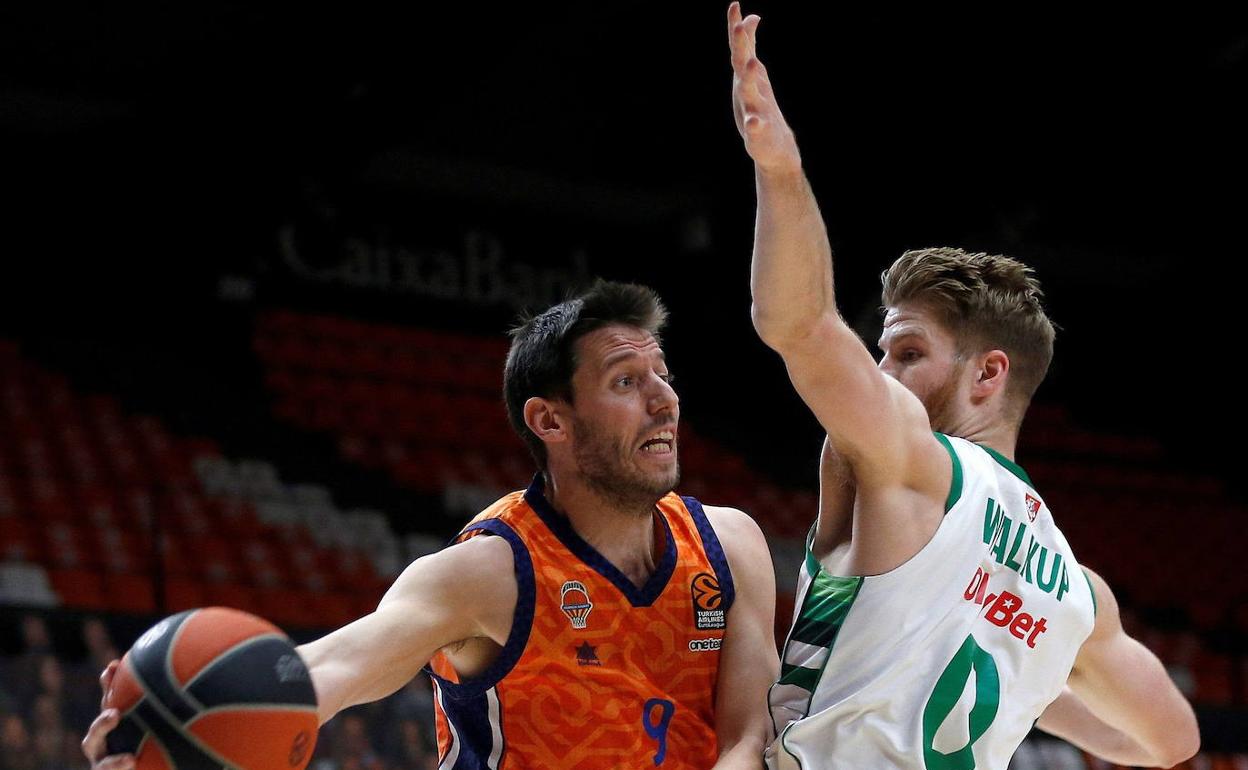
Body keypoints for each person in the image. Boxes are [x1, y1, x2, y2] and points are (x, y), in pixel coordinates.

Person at [726, 3, 1200, 768]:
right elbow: (1174, 740)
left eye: (907, 352)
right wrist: (1033, 681)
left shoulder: (909, 460)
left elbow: (800, 324)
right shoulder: (1078, 598)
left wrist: (780, 170)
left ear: (989, 372)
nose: (883, 377)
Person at [83, 279, 779, 770]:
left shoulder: (730, 546)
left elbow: (750, 737)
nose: (665, 402)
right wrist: (177, 719)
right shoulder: (489, 572)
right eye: (627, 381)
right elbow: (340, 665)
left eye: (665, 375)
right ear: (550, 420)